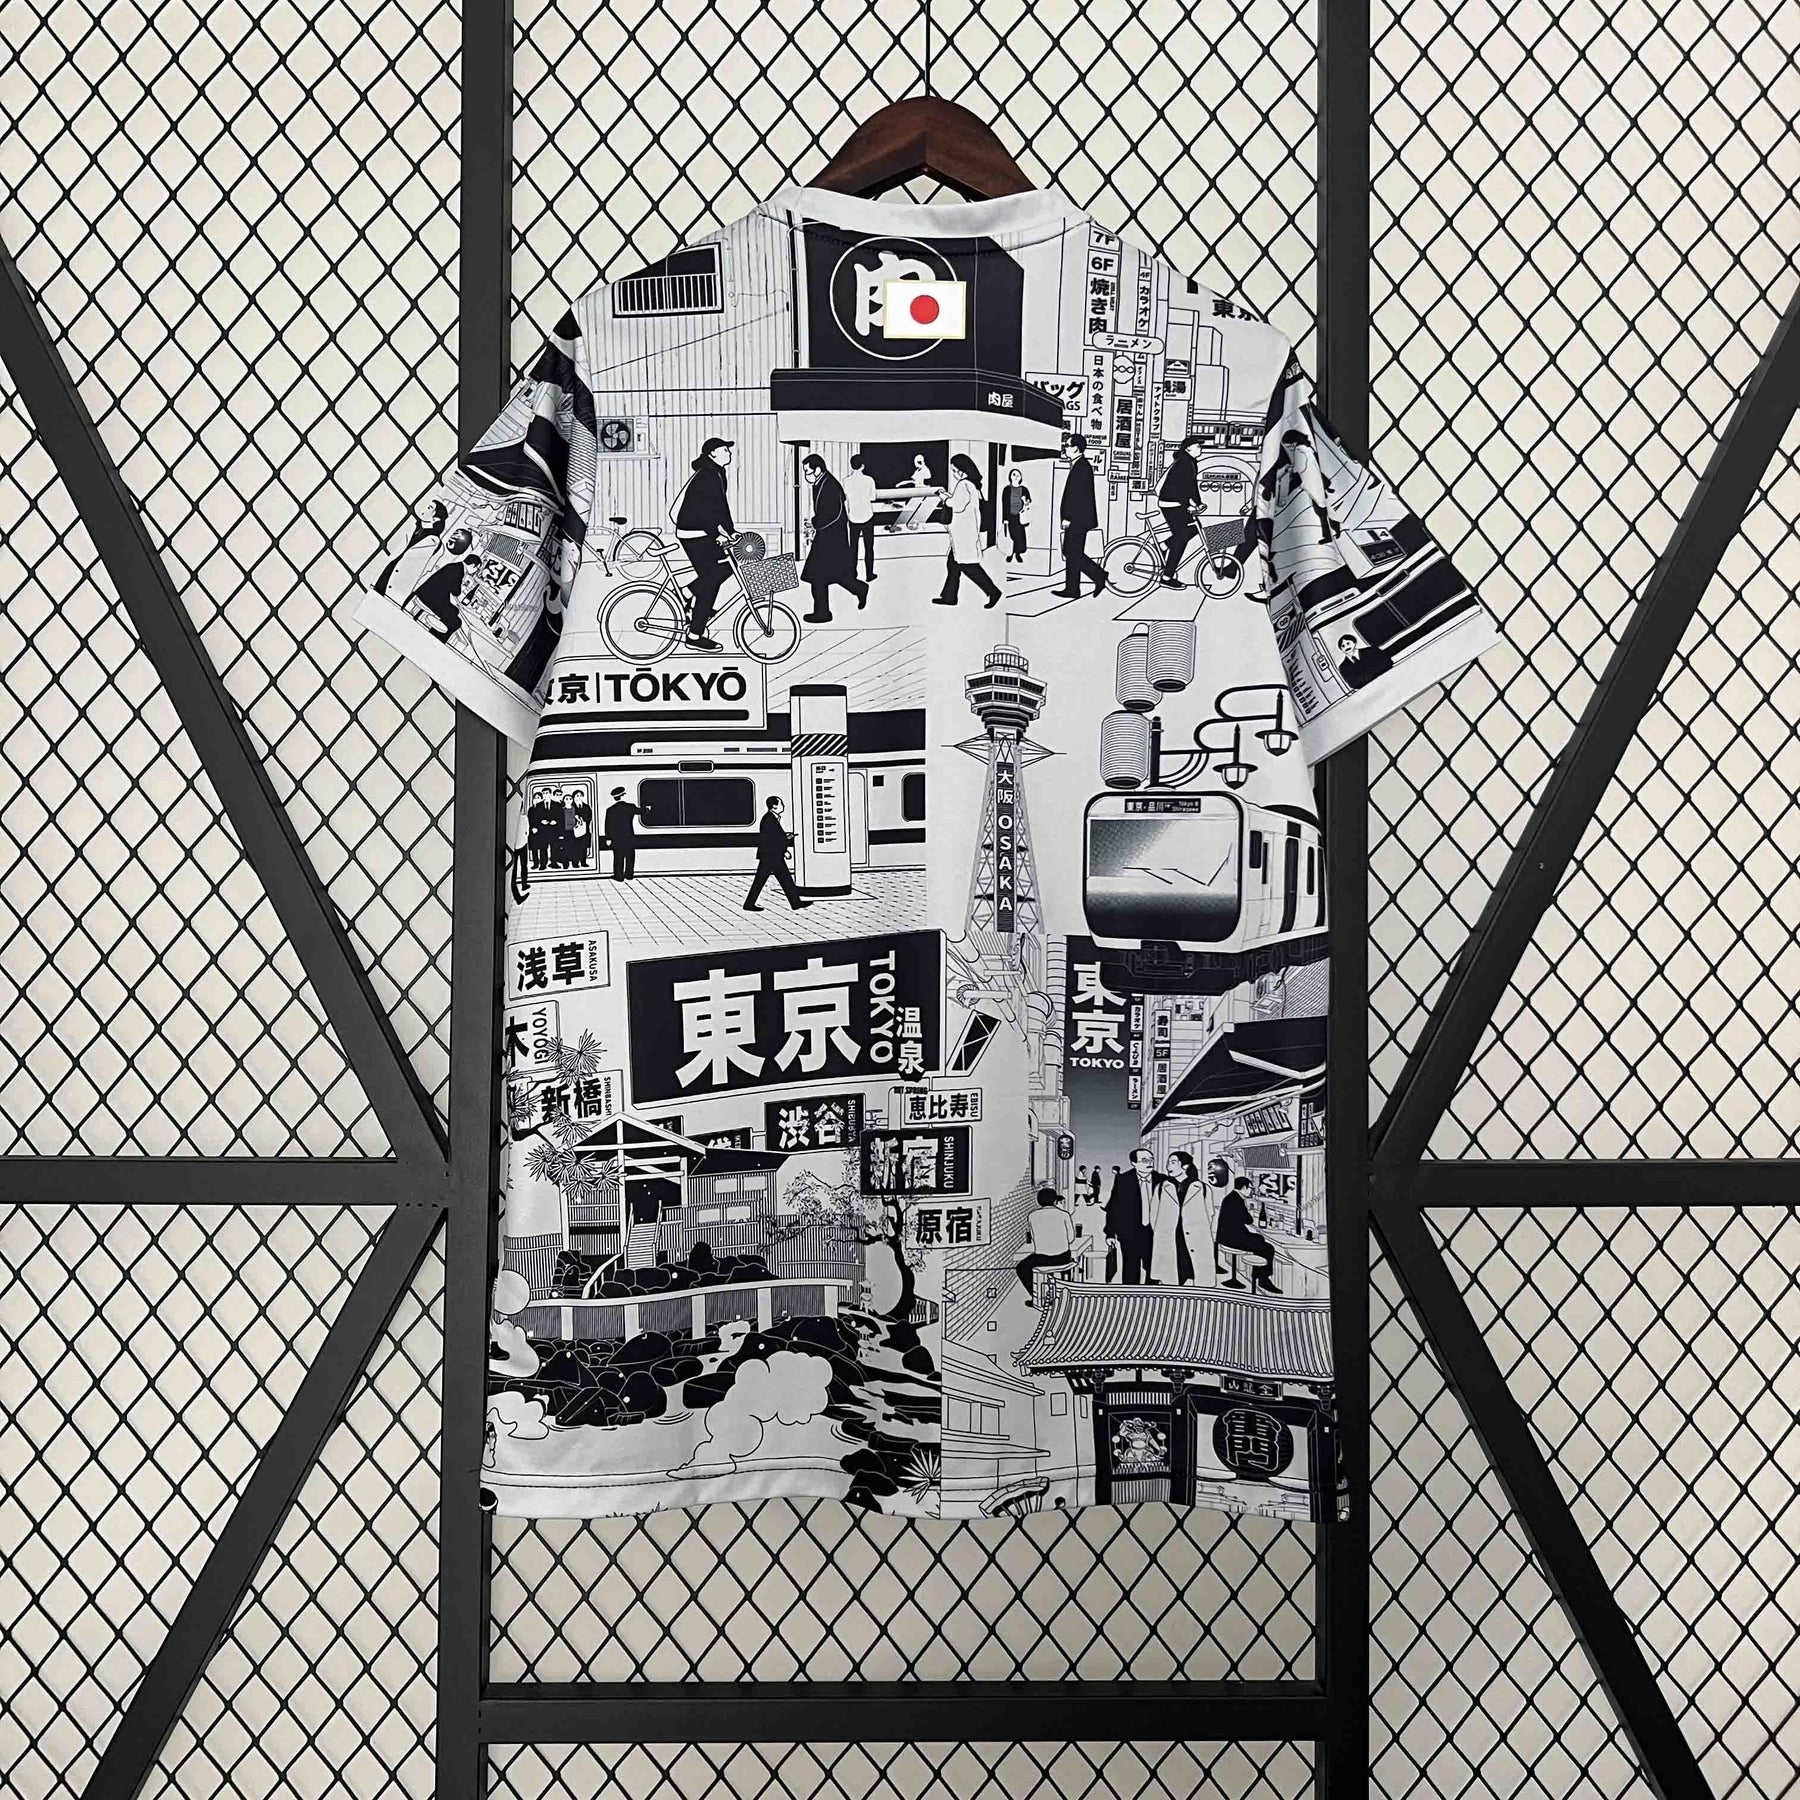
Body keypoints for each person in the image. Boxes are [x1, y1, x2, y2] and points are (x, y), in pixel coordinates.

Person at [673, 437, 735, 650]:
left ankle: (692, 598)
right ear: (712, 454)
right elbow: (703, 510)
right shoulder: (707, 475)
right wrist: (716, 534)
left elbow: (721, 507)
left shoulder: (717, 472)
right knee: (713, 578)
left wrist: (731, 532)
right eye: (724, 450)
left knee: (723, 569)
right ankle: (694, 633)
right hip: (693, 532)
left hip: (700, 531)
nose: (729, 453)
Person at [799, 454, 869, 622]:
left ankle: (823, 612)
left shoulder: (830, 485)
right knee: (831, 575)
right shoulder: (821, 482)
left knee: (820, 576)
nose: (806, 475)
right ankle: (858, 589)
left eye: (808, 471)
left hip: (831, 537)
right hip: (827, 536)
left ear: (818, 469)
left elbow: (832, 513)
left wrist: (815, 522)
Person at [934, 454, 1002, 607]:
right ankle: (949, 596)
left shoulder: (964, 484)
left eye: (954, 470)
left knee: (968, 567)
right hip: (966, 532)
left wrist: (943, 497)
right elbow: (959, 501)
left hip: (963, 534)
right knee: (953, 565)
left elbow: (957, 505)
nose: (953, 473)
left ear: (961, 470)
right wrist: (948, 496)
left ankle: (993, 592)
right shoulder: (971, 485)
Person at [1055, 435, 1108, 598]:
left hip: (1077, 519)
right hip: (1080, 518)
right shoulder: (1080, 465)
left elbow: (1077, 496)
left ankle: (1097, 576)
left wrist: (1068, 517)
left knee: (1071, 551)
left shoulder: (1081, 467)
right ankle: (1074, 587)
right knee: (1072, 552)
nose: (1065, 448)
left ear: (1076, 448)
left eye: (1067, 445)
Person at [743, 795, 812, 911]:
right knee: (778, 879)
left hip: (770, 855)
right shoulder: (769, 819)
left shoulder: (771, 818)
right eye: (781, 804)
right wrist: (785, 848)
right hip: (771, 856)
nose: (783, 806)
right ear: (774, 806)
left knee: (779, 879)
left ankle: (795, 903)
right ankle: (795, 903)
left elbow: (775, 837)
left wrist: (785, 839)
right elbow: (772, 840)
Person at [1216, 1174, 1281, 1293]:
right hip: (1232, 1239)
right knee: (1268, 1248)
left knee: (1259, 1240)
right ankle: (1263, 1279)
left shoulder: (1231, 1197)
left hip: (1226, 1236)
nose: (1251, 1191)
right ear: (1244, 1188)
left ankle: (1258, 1275)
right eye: (1251, 1188)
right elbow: (1248, 1220)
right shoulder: (1237, 1200)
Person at [1105, 1147, 1160, 1284]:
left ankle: (1151, 1296)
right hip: (1130, 1233)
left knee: (1153, 1271)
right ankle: (1131, 1295)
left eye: (1151, 1159)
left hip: (1154, 1234)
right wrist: (1110, 1233)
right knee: (1130, 1270)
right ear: (1133, 1163)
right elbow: (1114, 1207)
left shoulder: (1162, 1180)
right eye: (1144, 1160)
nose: (1149, 1163)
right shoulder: (1123, 1180)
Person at [1157, 436, 1205, 586]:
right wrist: (1187, 506)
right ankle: (1167, 577)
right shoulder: (1185, 463)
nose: (1201, 448)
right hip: (1171, 503)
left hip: (1173, 502)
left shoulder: (1189, 462)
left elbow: (1191, 486)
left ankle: (1164, 545)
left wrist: (1198, 503)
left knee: (1195, 528)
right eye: (1198, 446)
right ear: (1188, 448)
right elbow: (1180, 488)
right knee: (1181, 538)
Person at [1015, 1187, 1075, 1304]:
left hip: (1042, 1259)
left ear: (1039, 1201)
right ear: (1055, 1200)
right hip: (1062, 1258)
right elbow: (1071, 1238)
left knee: (1021, 1268)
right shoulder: (1064, 1214)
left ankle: (1037, 1297)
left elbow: (1033, 1237)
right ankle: (1063, 1294)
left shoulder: (1032, 1216)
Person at [844, 454, 878, 581]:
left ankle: (853, 574)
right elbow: (872, 497)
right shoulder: (869, 480)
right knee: (869, 547)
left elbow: (846, 499)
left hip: (853, 517)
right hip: (867, 516)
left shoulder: (846, 481)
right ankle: (869, 574)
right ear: (863, 466)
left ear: (851, 466)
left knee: (853, 548)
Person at [603, 785, 644, 880]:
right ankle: (629, 874)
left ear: (615, 798)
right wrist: (648, 808)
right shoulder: (630, 807)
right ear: (623, 795)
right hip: (629, 836)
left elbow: (607, 825)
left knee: (618, 856)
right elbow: (642, 811)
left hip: (616, 838)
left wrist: (608, 838)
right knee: (630, 855)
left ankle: (619, 876)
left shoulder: (610, 810)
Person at [889, 453, 938, 531]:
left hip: (922, 493)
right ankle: (902, 526)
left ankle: (912, 526)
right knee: (909, 510)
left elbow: (927, 482)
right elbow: (912, 480)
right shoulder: (918, 470)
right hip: (917, 493)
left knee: (917, 512)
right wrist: (901, 483)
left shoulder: (925, 471)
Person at [1001, 467, 1031, 562]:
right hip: (1010, 516)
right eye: (1014, 474)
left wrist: (1025, 501)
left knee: (1019, 536)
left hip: (1020, 516)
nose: (1016, 476)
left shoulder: (1024, 489)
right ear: (1010, 477)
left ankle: (1017, 554)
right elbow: (1004, 505)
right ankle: (1010, 553)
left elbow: (1028, 502)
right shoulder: (1007, 489)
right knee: (1011, 536)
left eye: (1018, 474)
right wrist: (1005, 519)